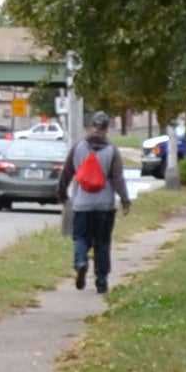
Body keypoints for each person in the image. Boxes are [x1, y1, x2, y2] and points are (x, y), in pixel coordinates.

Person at [66, 118, 124, 292]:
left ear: (90, 126)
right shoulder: (112, 150)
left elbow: (67, 173)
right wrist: (125, 200)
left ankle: (81, 262)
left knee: (80, 237)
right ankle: (101, 280)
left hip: (82, 203)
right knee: (103, 242)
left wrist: (61, 194)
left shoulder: (78, 148)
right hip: (105, 205)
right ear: (107, 129)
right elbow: (118, 178)